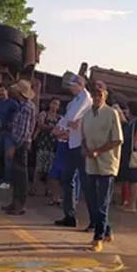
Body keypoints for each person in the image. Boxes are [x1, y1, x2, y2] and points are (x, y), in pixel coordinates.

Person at [81, 82, 124, 250]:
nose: (97, 98)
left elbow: (117, 139)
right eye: (95, 95)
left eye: (100, 95)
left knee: (102, 201)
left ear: (104, 96)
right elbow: (83, 137)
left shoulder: (111, 113)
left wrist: (99, 151)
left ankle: (98, 237)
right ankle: (107, 230)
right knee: (91, 199)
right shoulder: (87, 115)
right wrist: (86, 150)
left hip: (107, 163)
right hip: (91, 162)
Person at [53, 73, 92, 228]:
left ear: (80, 84)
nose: (70, 89)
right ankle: (69, 216)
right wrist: (63, 126)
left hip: (81, 146)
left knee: (86, 182)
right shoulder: (76, 99)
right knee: (67, 179)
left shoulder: (84, 98)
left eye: (72, 85)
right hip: (72, 143)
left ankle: (95, 220)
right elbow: (70, 118)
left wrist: (60, 127)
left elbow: (72, 116)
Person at [2, 80, 37, 215]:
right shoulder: (22, 105)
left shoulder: (26, 107)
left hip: (20, 144)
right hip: (20, 142)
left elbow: (24, 130)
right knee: (16, 174)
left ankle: (20, 205)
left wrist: (14, 146)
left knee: (21, 175)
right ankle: (15, 202)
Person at [116, 101, 137, 212]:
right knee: (129, 178)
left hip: (133, 153)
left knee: (134, 179)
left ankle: (132, 205)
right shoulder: (131, 122)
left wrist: (135, 141)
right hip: (128, 152)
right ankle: (128, 202)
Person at [0, 83, 18, 190]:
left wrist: (10, 125)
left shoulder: (13, 104)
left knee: (8, 158)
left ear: (7, 91)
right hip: (0, 133)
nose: (0, 93)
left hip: (9, 134)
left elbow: (17, 118)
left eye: (2, 90)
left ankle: (7, 181)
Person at [33, 98, 61, 203]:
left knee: (50, 169)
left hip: (52, 145)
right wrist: (52, 128)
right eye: (53, 103)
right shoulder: (43, 114)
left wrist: (52, 128)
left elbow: (60, 128)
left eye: (57, 104)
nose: (54, 106)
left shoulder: (59, 117)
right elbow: (40, 125)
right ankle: (34, 188)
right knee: (39, 167)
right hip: (43, 143)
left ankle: (48, 190)